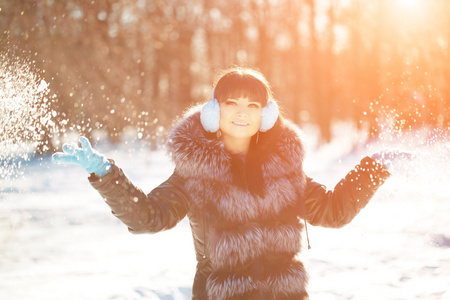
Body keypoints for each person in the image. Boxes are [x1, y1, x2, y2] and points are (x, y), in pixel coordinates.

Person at [53, 67, 406, 300]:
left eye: (253, 105)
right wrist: (105, 174)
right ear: (213, 110)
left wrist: (372, 170)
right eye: (232, 102)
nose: (242, 112)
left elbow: (331, 212)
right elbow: (149, 217)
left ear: (266, 116)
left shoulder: (284, 167)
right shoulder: (196, 171)